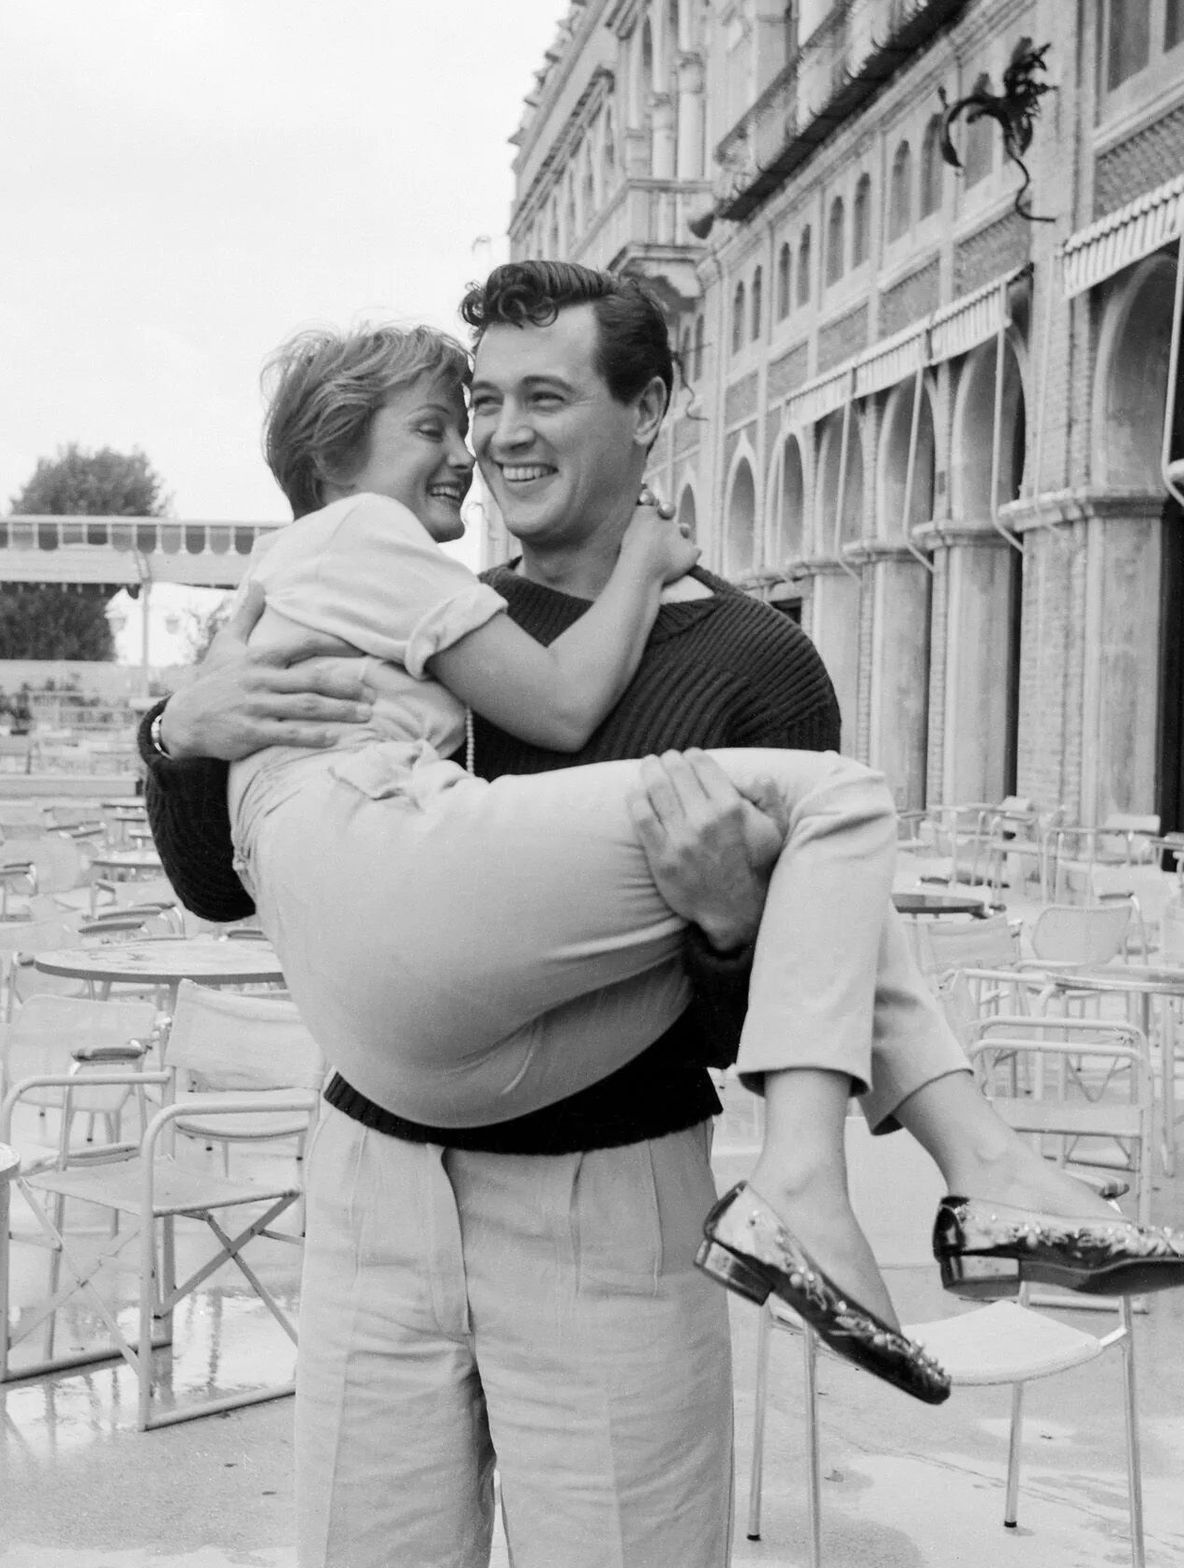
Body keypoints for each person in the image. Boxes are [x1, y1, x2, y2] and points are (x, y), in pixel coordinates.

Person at [140, 262, 1184, 1568]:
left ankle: (952, 1182)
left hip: (608, 1201)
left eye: (545, 396)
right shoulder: (431, 621)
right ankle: (973, 1173)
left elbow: (754, 1019)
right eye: (478, 403)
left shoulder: (755, 663)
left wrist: (727, 927)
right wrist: (178, 733)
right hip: (378, 1187)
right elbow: (221, 884)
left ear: (649, 407)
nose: (500, 436)